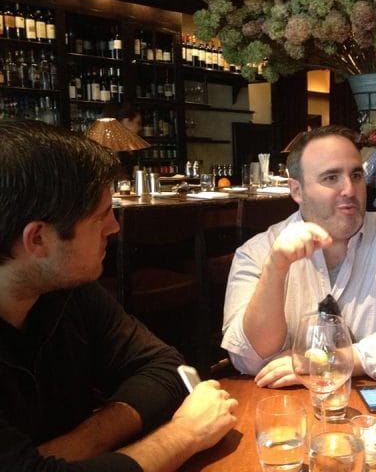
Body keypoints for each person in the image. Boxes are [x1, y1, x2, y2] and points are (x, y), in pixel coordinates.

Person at [0, 120, 238, 471]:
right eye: (101, 216)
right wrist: (184, 435)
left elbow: (167, 368)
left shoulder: (67, 291)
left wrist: (81, 444)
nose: (115, 227)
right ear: (37, 239)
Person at [221, 124, 376, 387]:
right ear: (296, 191)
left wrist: (321, 363)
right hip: (283, 413)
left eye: (357, 175)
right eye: (331, 178)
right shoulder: (257, 252)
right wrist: (275, 269)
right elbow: (249, 358)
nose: (350, 189)